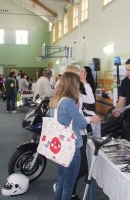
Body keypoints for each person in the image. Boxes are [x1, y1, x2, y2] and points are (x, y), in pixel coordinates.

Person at [64, 65, 100, 200]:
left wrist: (85, 83)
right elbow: (72, 118)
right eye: (80, 74)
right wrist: (91, 119)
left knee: (79, 167)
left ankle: (69, 191)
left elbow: (91, 100)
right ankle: (68, 191)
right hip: (74, 135)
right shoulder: (68, 96)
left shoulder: (77, 94)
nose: (82, 76)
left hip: (81, 134)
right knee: (80, 167)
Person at [49, 72, 87, 200]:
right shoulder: (69, 102)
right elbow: (82, 124)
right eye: (77, 83)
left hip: (60, 145)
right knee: (68, 185)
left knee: (61, 181)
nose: (79, 86)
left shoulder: (56, 100)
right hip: (71, 147)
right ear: (72, 85)